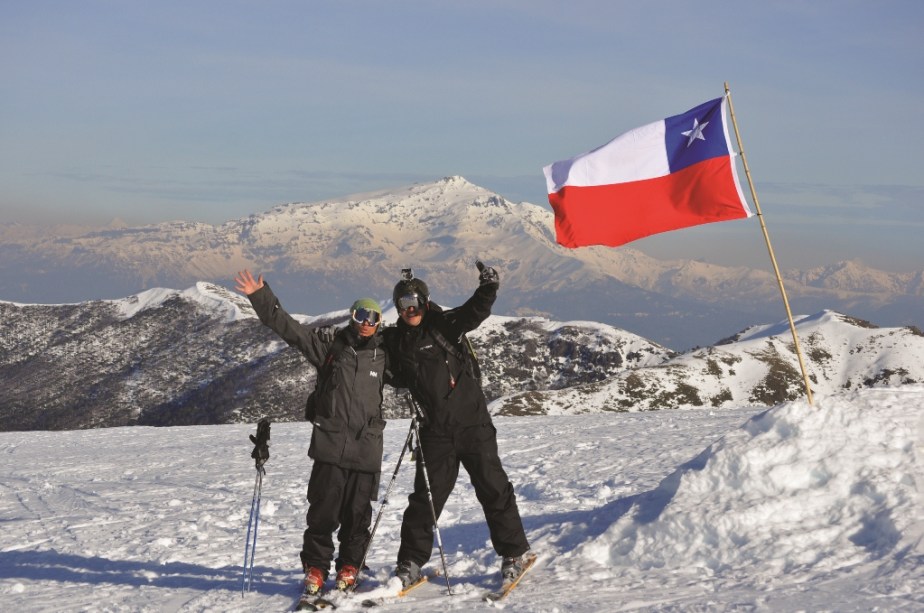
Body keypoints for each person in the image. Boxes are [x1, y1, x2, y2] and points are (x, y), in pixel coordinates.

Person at [235, 269, 392, 597]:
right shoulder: (331, 348)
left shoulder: (386, 355)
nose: (366, 321)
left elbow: (421, 370)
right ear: (352, 317)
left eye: (372, 316)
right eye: (361, 314)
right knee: (323, 512)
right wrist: (260, 296)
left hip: (366, 448)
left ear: (379, 322)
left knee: (357, 515)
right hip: (331, 444)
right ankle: (317, 568)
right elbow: (289, 329)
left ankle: (351, 565)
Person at [385, 262, 531, 587]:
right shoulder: (395, 342)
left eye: (414, 303)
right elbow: (374, 360)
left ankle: (514, 553)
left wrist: (488, 285)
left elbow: (474, 311)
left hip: (472, 424)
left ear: (424, 302)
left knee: (493, 488)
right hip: (434, 432)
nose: (409, 310)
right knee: (425, 499)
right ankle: (410, 563)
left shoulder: (444, 325)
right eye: (403, 305)